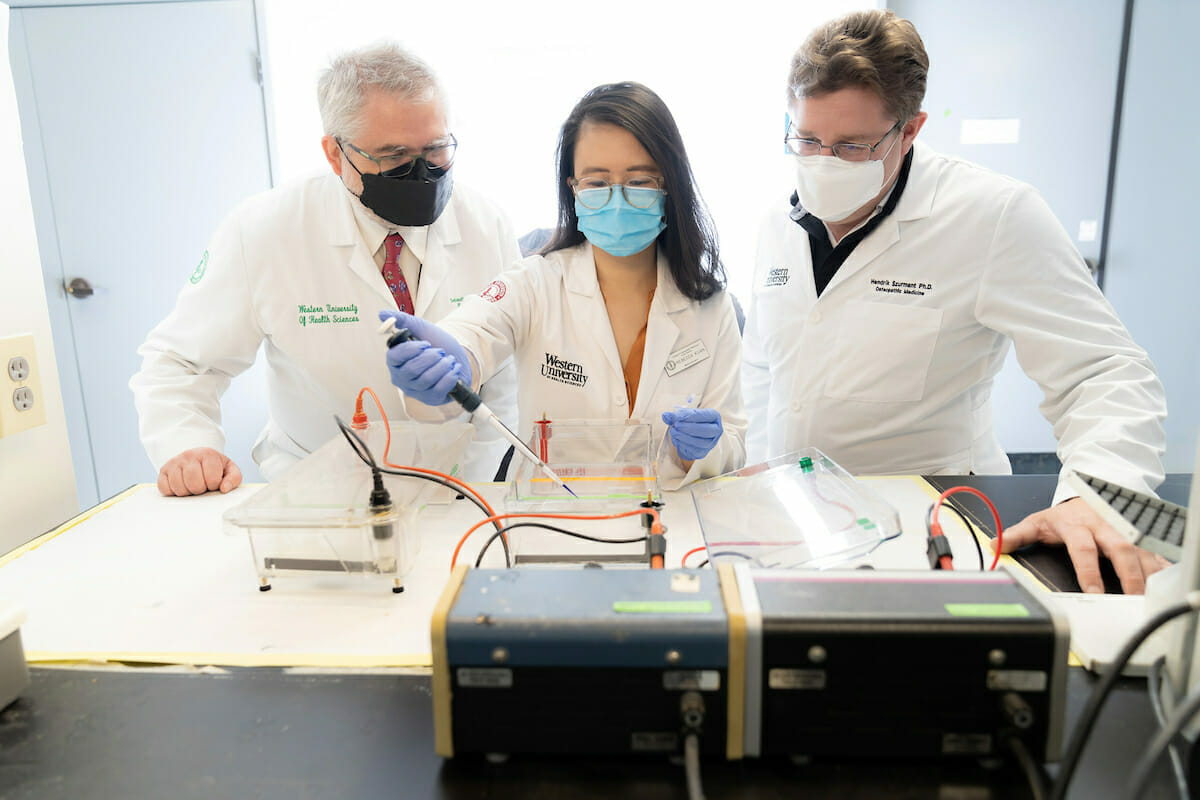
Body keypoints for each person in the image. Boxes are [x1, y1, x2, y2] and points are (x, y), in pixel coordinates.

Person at [742, 9, 1168, 593]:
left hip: (934, 526)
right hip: (793, 526)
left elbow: (1104, 371)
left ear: (910, 129)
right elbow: (764, 366)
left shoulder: (993, 215)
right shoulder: (775, 220)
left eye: (852, 147)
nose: (821, 162)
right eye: (807, 139)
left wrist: (1094, 497)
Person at [130, 42, 519, 496]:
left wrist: (487, 481)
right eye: (393, 158)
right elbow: (181, 363)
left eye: (435, 150)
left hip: (464, 488)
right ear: (335, 154)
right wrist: (188, 446)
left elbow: (509, 378)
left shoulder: (486, 223)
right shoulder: (265, 230)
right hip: (322, 494)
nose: (420, 174)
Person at [380, 82, 746, 488]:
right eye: (596, 182)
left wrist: (706, 448)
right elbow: (475, 329)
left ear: (670, 187)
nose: (617, 200)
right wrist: (453, 357)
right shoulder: (535, 285)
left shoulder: (711, 306)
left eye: (640, 182)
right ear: (572, 188)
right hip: (552, 527)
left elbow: (732, 448)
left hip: (671, 531)